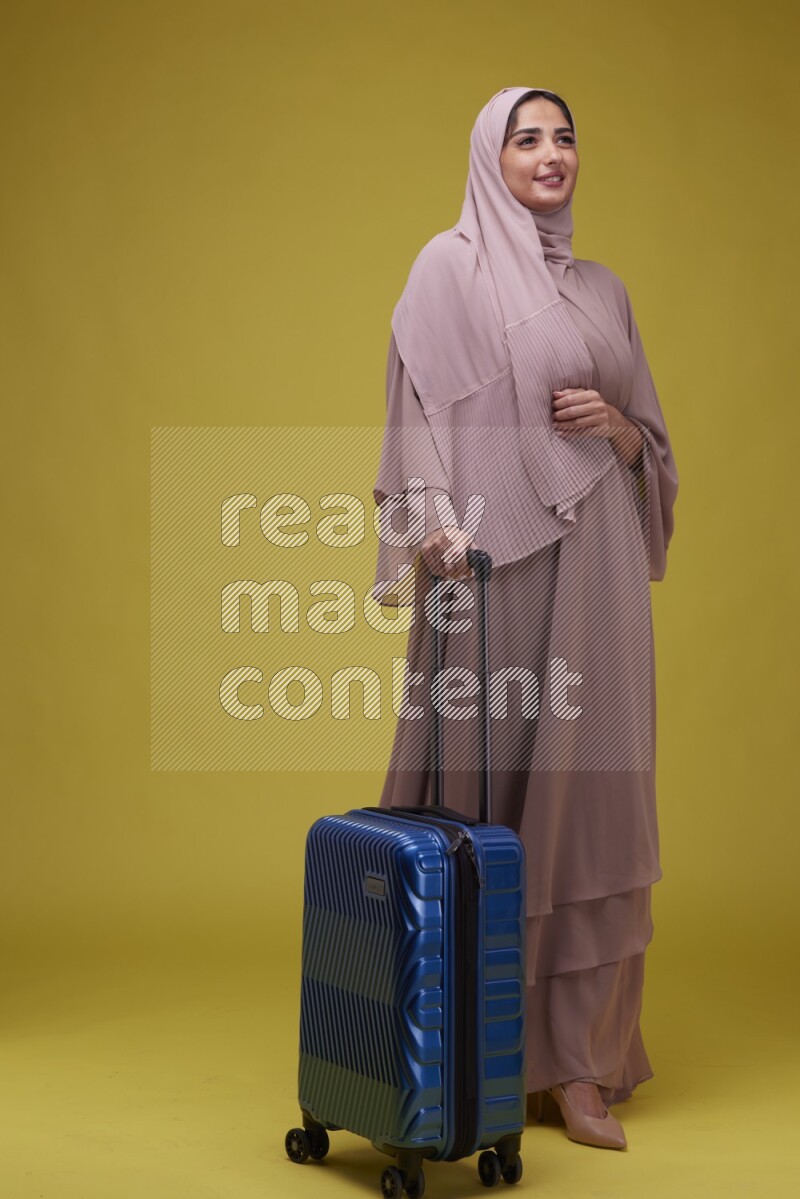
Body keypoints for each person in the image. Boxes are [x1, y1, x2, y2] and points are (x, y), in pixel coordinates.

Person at [371, 87, 678, 1152]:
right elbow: (415, 413)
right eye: (527, 137)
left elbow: (647, 439)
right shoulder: (446, 267)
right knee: (487, 789)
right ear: (487, 156)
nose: (552, 153)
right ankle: (469, 1044)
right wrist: (433, 531)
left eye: (565, 137)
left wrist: (621, 434)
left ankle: (578, 1060)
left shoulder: (603, 288)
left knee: (590, 796)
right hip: (489, 561)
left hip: (592, 565)